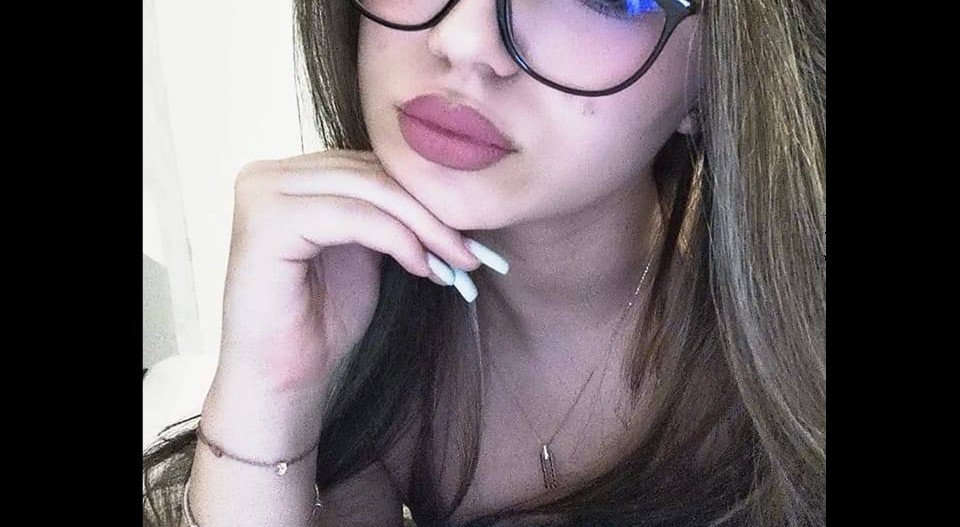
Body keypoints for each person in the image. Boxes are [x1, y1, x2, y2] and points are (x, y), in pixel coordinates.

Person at [142, 0, 826, 525]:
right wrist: (269, 393)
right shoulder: (359, 327)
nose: (463, 41)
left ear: (720, 69)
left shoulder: (792, 372)